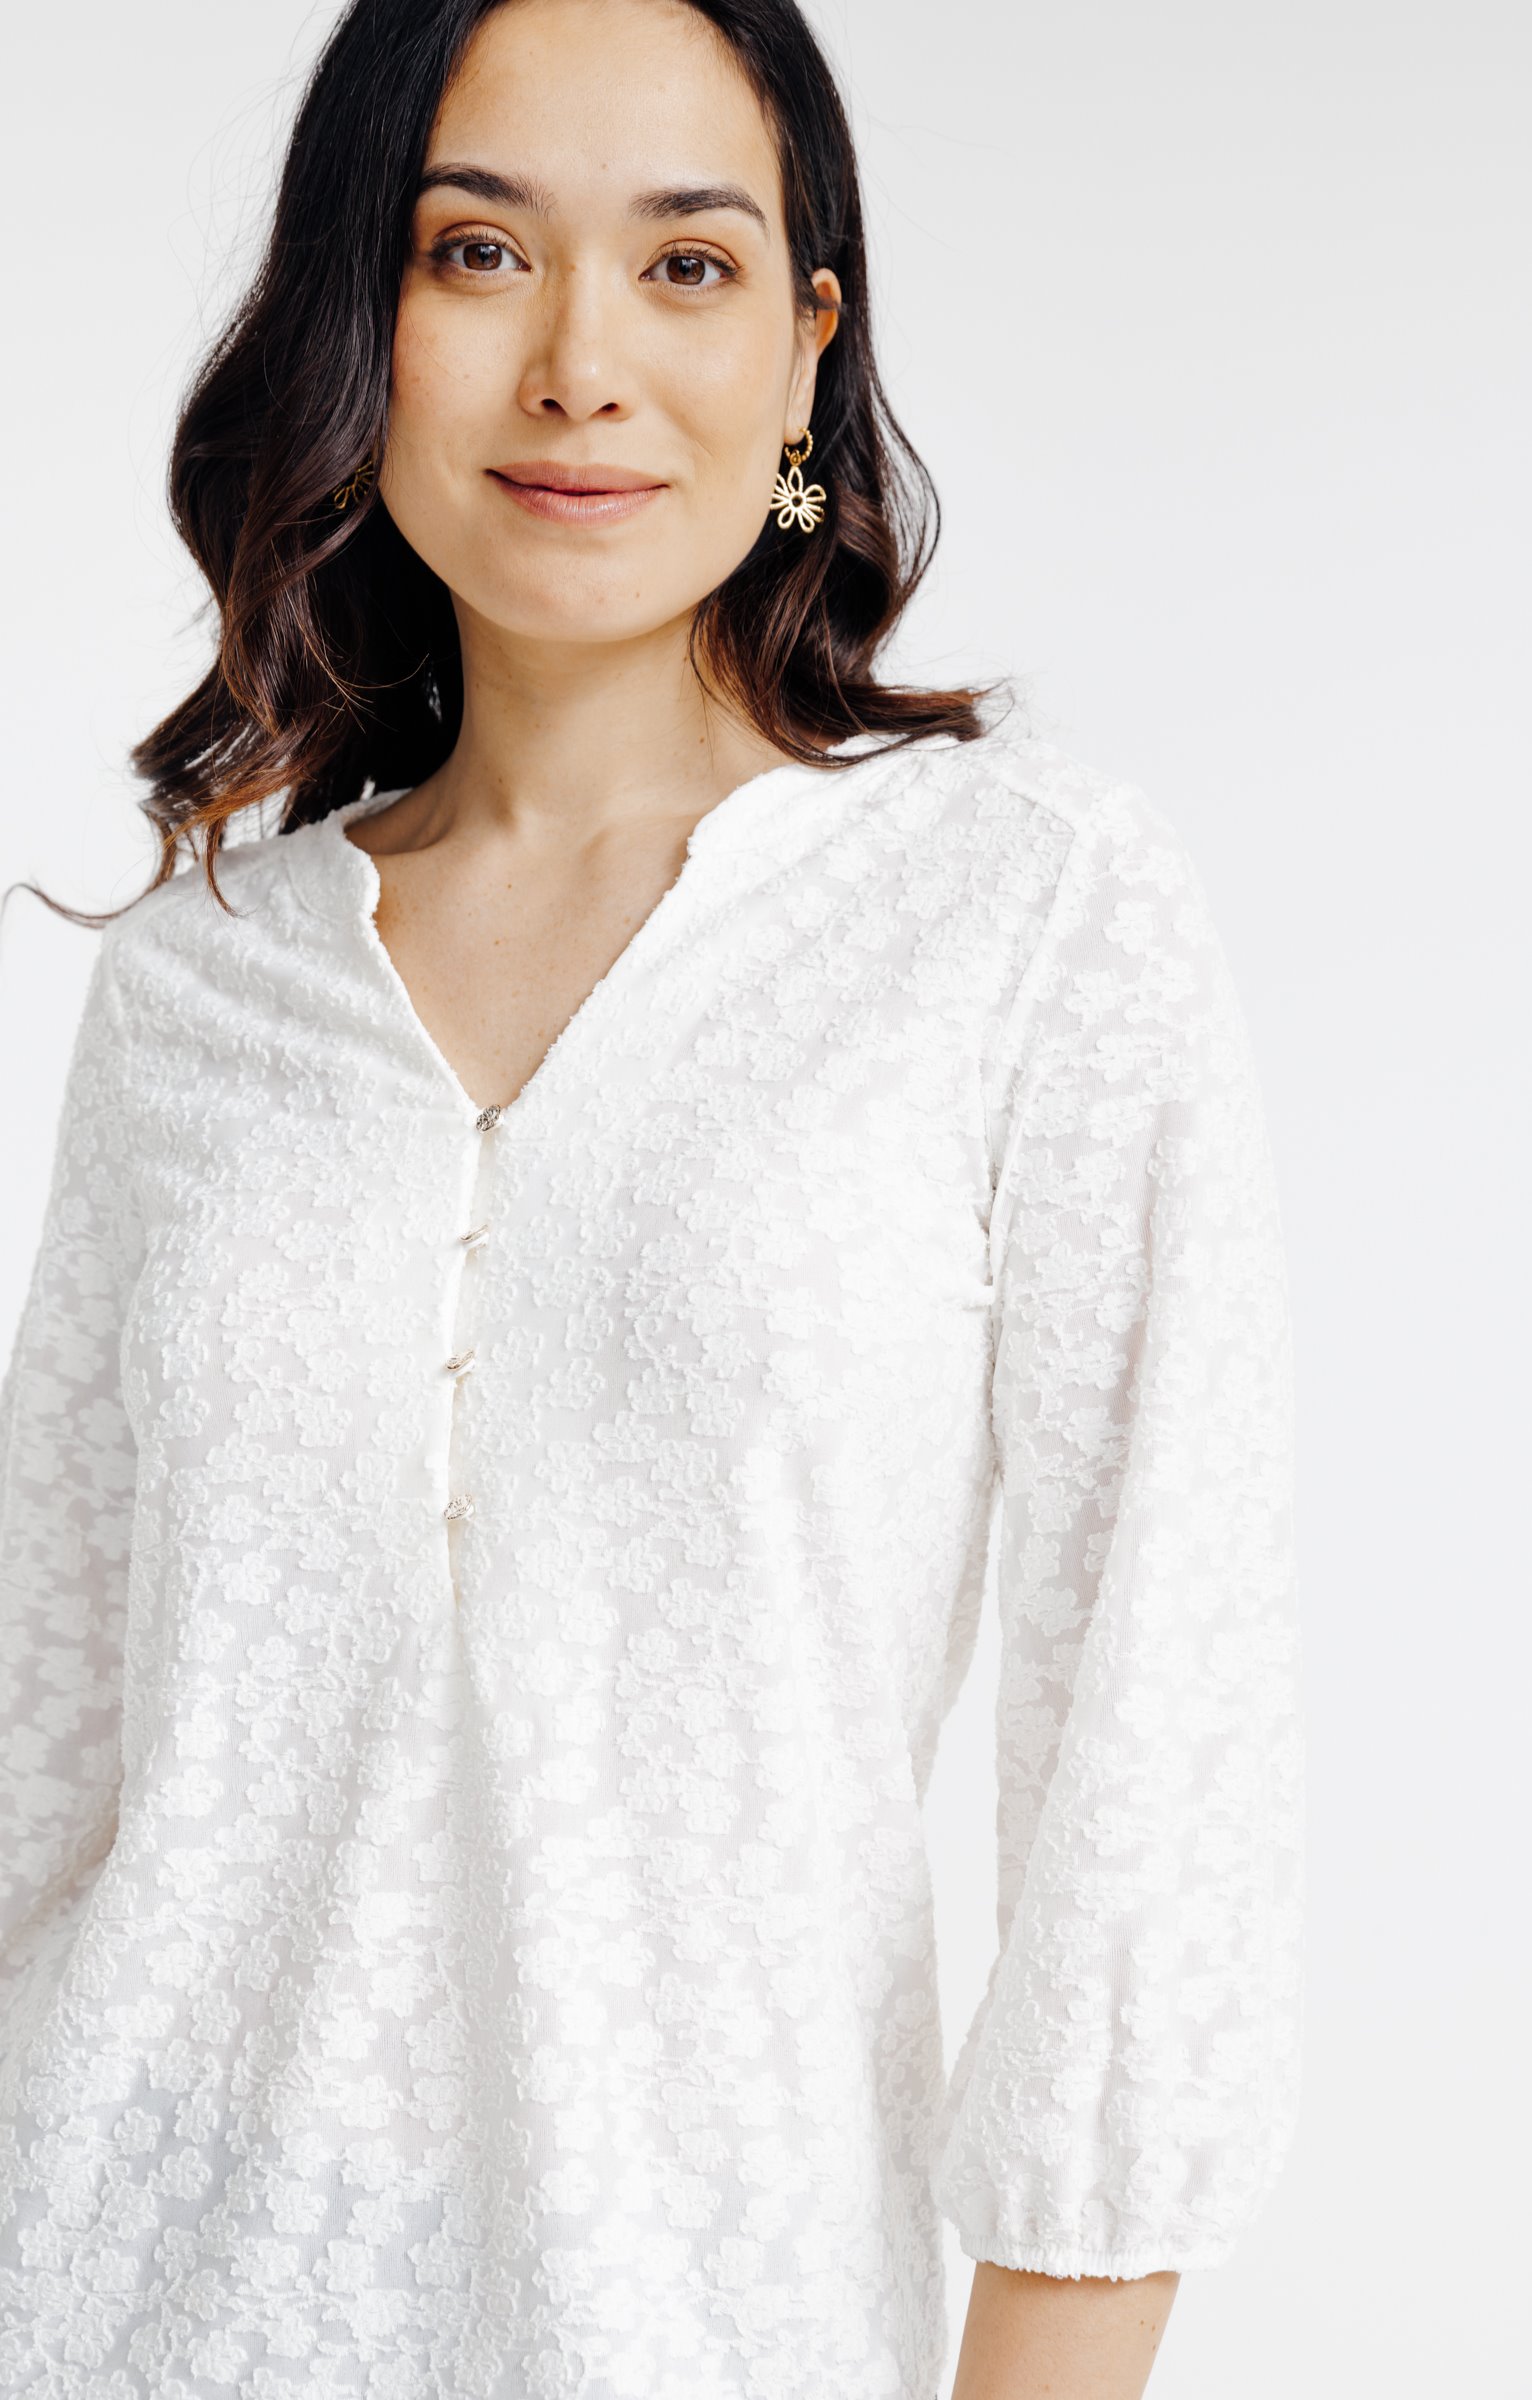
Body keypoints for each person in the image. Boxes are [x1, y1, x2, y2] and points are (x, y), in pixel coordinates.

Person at [0, 1, 1303, 2394]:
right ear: (358, 320)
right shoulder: (199, 985)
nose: (579, 365)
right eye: (475, 250)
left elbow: (1157, 1778)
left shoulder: (1022, 919)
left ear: (806, 345)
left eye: (685, 264)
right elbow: (42, 1765)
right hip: (107, 2299)